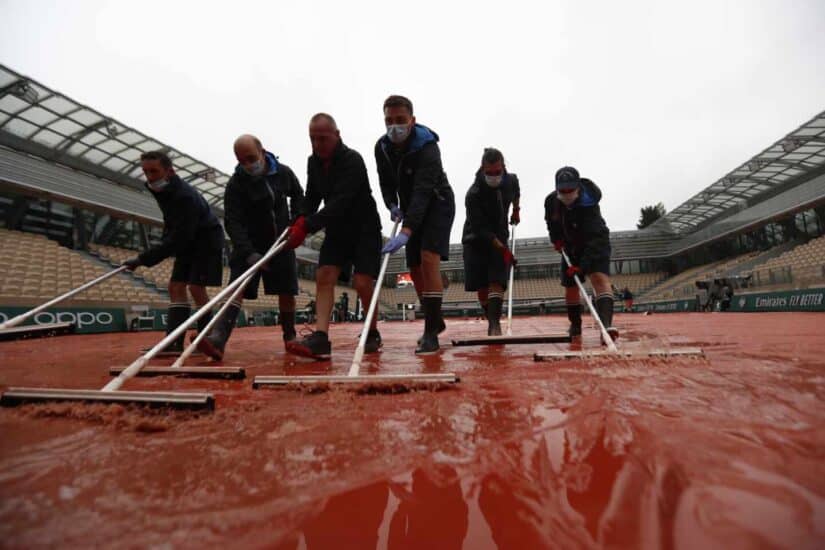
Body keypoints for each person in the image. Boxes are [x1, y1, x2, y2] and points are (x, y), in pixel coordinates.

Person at [284, 113, 383, 360]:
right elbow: (312, 196)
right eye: (312, 139)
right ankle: (320, 337)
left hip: (364, 228)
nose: (317, 145)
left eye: (323, 139)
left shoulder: (353, 160)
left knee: (362, 282)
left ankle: (372, 332)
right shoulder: (313, 162)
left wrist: (307, 226)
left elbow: (341, 201)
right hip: (337, 229)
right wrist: (298, 219)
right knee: (324, 275)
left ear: (337, 136)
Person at [197, 135, 304, 360]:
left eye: (251, 158)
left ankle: (290, 337)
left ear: (262, 152)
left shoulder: (283, 173)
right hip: (248, 245)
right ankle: (218, 339)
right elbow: (233, 222)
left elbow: (298, 196)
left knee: (287, 291)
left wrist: (296, 222)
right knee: (237, 288)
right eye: (241, 160)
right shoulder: (236, 184)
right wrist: (248, 253)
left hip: (281, 241)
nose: (247, 164)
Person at [375, 95, 456, 354]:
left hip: (437, 203)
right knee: (414, 267)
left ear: (412, 121)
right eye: (389, 121)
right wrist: (391, 204)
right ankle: (435, 319)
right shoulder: (382, 147)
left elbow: (423, 190)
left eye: (400, 120)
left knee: (428, 257)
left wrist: (407, 230)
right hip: (410, 208)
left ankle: (431, 331)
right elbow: (385, 182)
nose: (394, 126)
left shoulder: (428, 147)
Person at [123, 150, 224, 353]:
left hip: (206, 240)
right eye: (146, 172)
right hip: (188, 239)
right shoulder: (160, 189)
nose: (150, 177)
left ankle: (206, 339)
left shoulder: (184, 196)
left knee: (196, 287)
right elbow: (172, 223)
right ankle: (173, 342)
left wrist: (143, 258)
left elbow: (180, 236)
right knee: (175, 287)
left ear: (169, 171)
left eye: (154, 171)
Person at [545, 166, 618, 342]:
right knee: (571, 286)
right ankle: (575, 325)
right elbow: (551, 223)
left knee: (599, 278)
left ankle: (606, 326)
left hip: (595, 242)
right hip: (569, 246)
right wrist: (556, 240)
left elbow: (593, 238)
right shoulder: (551, 202)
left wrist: (582, 267)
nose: (567, 194)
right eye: (563, 190)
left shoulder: (589, 203)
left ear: (578, 187)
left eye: (570, 190)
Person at [461, 148, 520, 335]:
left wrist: (516, 210)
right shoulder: (474, 194)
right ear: (482, 168)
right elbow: (480, 229)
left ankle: (494, 325)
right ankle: (490, 317)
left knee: (497, 279)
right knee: (482, 286)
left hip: (500, 233)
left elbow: (516, 192)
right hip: (475, 238)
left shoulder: (511, 180)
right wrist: (504, 250)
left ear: (503, 167)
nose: (494, 176)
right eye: (489, 173)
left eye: (497, 172)